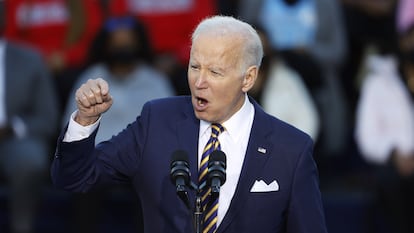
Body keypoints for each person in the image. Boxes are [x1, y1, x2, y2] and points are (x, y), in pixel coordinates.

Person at [52, 16, 327, 233]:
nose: (199, 82)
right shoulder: (156, 122)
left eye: (215, 72)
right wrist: (85, 121)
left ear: (248, 78)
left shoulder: (290, 148)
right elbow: (76, 178)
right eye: (195, 67)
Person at [0, 2, 59, 233]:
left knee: (30, 160)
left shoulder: (30, 59)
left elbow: (47, 116)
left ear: (5, 18)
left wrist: (12, 128)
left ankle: (22, 226)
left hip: (16, 136)